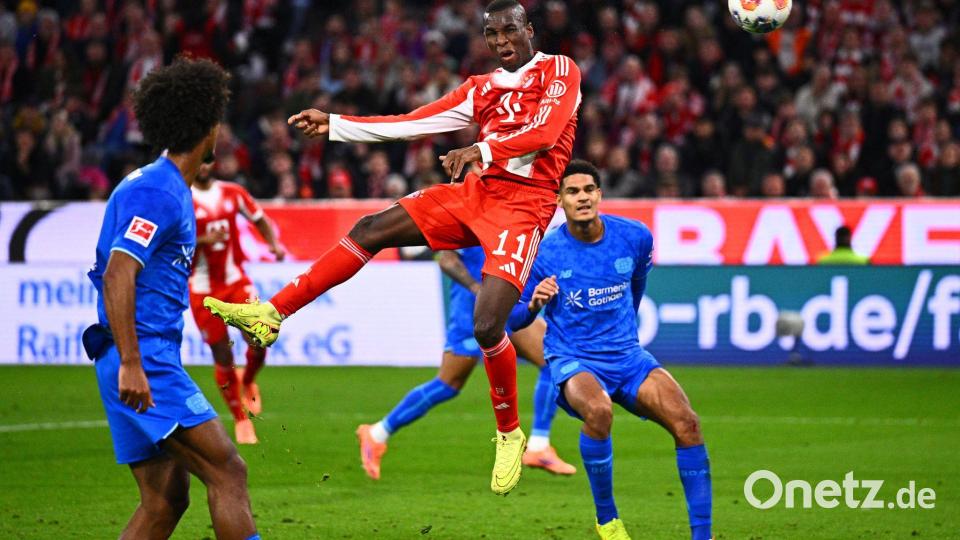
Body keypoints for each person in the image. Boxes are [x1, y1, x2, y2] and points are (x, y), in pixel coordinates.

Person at [204, 0, 581, 495]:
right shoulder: (481, 88)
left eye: (510, 30)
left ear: (529, 29)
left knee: (488, 324)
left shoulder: (558, 70)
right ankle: (272, 314)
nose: (501, 41)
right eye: (492, 34)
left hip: (523, 206)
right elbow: (412, 121)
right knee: (370, 228)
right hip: (476, 194)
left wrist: (481, 149)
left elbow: (548, 131)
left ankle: (509, 434)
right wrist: (336, 125)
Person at [84, 58, 259, 539]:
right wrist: (134, 363)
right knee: (228, 471)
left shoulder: (160, 184)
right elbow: (120, 272)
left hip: (128, 352)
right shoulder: (160, 192)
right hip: (143, 357)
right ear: (208, 124)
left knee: (164, 500)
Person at [508, 160, 712, 540]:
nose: (582, 198)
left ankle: (703, 536)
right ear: (559, 200)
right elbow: (513, 319)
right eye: (572, 192)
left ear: (599, 194)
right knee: (599, 411)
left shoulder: (635, 237)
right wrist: (534, 305)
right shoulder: (545, 252)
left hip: (629, 358)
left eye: (588, 190)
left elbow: (636, 288)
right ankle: (608, 520)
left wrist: (626, 339)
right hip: (574, 359)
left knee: (688, 424)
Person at [356, 246, 576, 480]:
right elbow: (446, 260)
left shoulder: (516, 218)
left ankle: (538, 446)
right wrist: (478, 290)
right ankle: (377, 433)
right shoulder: (472, 216)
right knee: (448, 384)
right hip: (472, 311)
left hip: (506, 306)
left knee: (552, 359)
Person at [189, 162, 286, 444]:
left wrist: (272, 244)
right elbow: (171, 241)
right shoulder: (183, 199)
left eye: (208, 160)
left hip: (236, 280)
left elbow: (259, 218)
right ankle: (241, 419)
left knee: (260, 335)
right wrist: (203, 239)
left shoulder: (233, 193)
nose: (204, 166)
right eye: (200, 160)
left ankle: (248, 380)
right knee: (222, 356)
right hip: (203, 290)